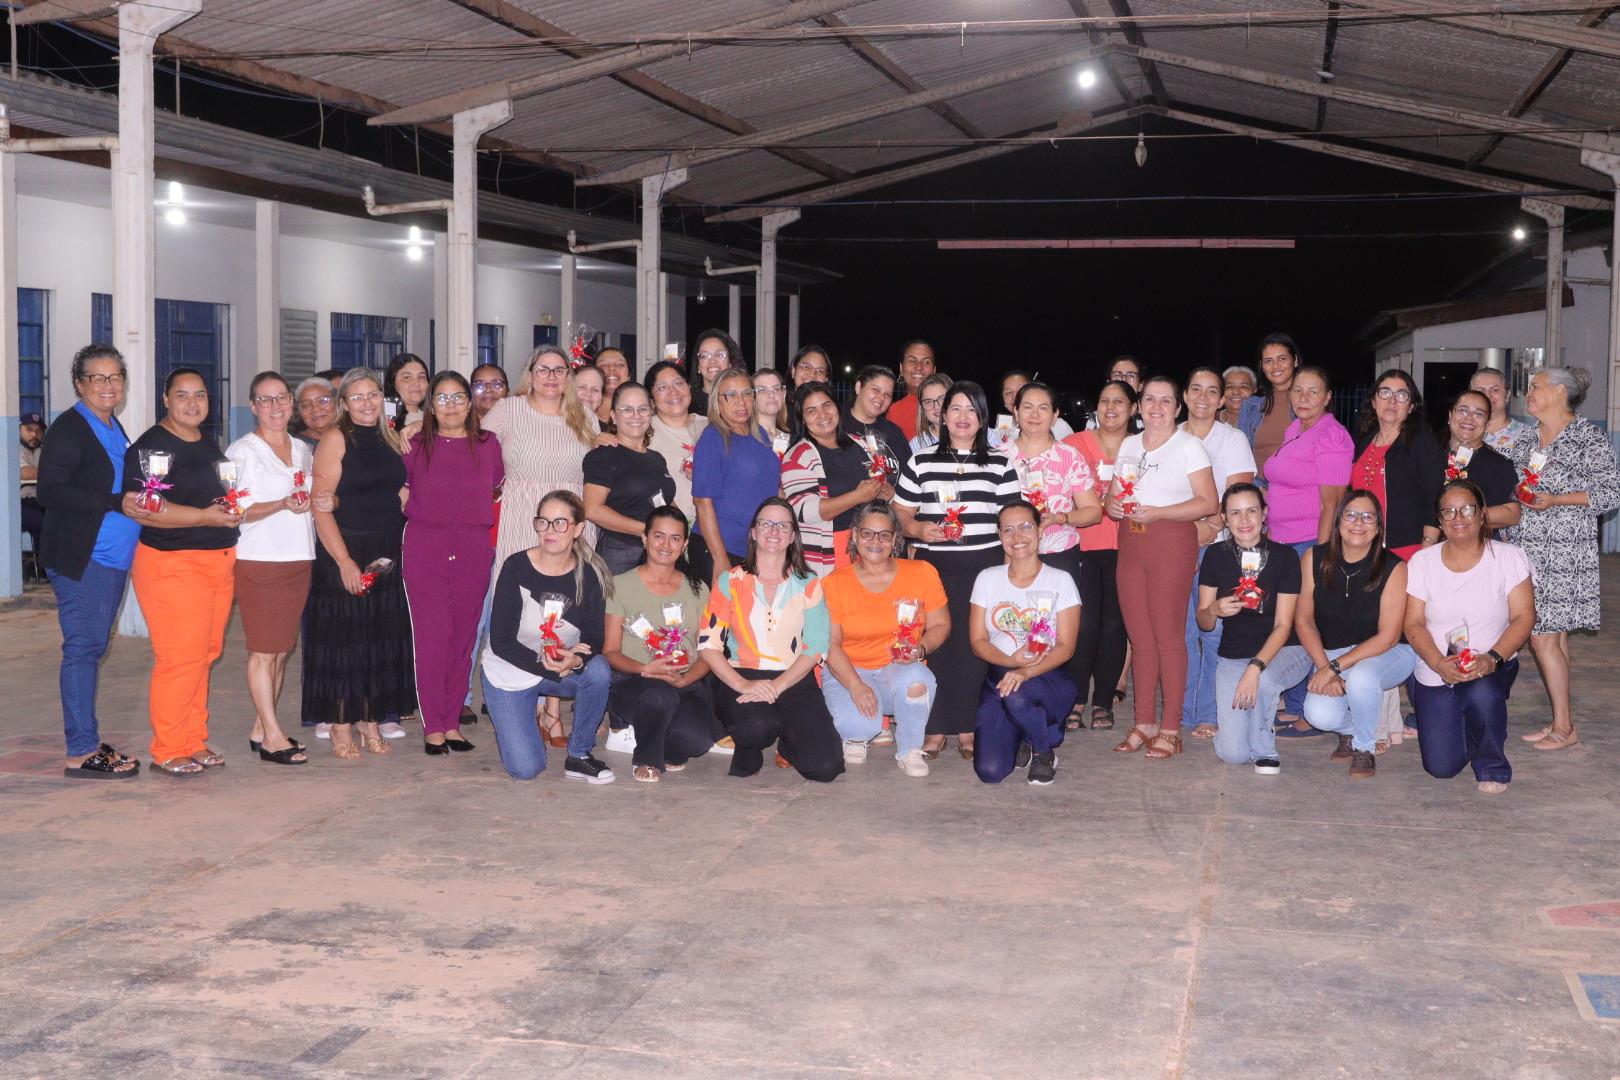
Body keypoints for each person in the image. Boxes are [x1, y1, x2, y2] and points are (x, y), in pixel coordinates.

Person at [123, 368, 241, 776]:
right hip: (173, 563)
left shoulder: (205, 442)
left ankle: (193, 739)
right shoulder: (152, 448)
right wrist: (207, 517)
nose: (193, 403)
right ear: (166, 399)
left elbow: (211, 494)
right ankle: (169, 748)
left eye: (200, 395)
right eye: (182, 395)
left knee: (204, 654)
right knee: (180, 657)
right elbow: (148, 510)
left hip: (216, 560)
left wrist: (226, 509)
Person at [892, 381, 1019, 759]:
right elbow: (901, 513)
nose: (963, 417)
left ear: (983, 418)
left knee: (974, 646)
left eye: (971, 410)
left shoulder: (1000, 462)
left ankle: (967, 727)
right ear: (943, 415)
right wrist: (918, 530)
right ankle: (934, 728)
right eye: (955, 409)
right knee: (938, 645)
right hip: (934, 567)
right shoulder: (921, 461)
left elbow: (1012, 520)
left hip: (985, 567)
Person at [37, 345, 144, 779]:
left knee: (93, 647)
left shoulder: (112, 425)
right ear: (80, 384)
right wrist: (115, 501)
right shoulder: (70, 428)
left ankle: (88, 742)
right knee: (83, 649)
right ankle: (81, 750)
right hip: (85, 558)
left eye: (115, 376)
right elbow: (50, 491)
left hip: (112, 558)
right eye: (97, 378)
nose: (108, 385)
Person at [304, 368, 415, 760]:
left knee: (375, 638)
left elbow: (398, 492)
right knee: (345, 640)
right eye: (357, 397)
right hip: (346, 547)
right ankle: (340, 722)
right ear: (344, 404)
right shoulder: (336, 438)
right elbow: (321, 506)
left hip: (386, 548)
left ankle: (369, 718)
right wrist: (345, 562)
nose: (367, 403)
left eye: (373, 395)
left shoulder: (391, 436)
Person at [1106, 374, 1218, 760]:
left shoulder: (1189, 446)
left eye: (1165, 400)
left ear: (1177, 407)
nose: (1156, 407)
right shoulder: (1129, 444)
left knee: (1169, 637)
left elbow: (1208, 503)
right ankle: (1144, 722)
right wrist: (1112, 505)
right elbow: (1114, 499)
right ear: (1139, 405)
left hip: (1171, 542)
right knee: (1140, 639)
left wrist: (1160, 513)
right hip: (1131, 544)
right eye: (1149, 399)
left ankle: (1171, 727)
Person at [1511, 368, 1620, 752]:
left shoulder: (1586, 436)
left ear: (1559, 392)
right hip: (1527, 549)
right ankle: (1560, 718)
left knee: (1541, 637)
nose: (1529, 393)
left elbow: (1610, 493)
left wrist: (1556, 500)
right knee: (1553, 640)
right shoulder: (1529, 438)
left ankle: (1565, 727)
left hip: (1564, 553)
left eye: (1536, 387)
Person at [699, 498, 844, 782]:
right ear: (754, 532)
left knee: (826, 767)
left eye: (783, 525)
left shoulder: (809, 583)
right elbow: (708, 643)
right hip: (743, 673)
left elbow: (816, 647)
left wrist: (777, 687)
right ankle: (748, 745)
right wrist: (743, 684)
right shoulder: (730, 581)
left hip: (793, 676)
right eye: (766, 523)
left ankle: (788, 743)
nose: (774, 531)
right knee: (757, 727)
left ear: (792, 537)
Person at [1404, 481, 1535, 792]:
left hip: (1489, 662)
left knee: (1482, 695)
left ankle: (1492, 765)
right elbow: (1413, 624)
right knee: (1441, 767)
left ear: (1482, 514)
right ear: (1439, 521)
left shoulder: (1509, 557)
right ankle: (1461, 717)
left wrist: (1492, 659)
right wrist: (1438, 663)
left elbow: (1523, 617)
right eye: (1448, 512)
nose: (1458, 518)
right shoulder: (1423, 562)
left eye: (1466, 509)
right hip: (1437, 668)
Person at [480, 491, 615, 783]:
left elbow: (595, 636)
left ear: (578, 529)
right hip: (509, 670)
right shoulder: (516, 567)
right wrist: (550, 666)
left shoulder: (590, 574)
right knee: (526, 769)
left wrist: (576, 660)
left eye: (560, 523)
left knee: (598, 670)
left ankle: (579, 755)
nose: (550, 530)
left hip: (556, 667)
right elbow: (501, 641)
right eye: (543, 522)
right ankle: (519, 717)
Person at [400, 371, 503, 756]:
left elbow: (496, 486)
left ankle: (452, 722)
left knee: (464, 637)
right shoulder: (414, 444)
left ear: (470, 402)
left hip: (473, 546)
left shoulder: (488, 444)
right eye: (442, 398)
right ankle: (433, 724)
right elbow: (400, 491)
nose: (451, 405)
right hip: (426, 545)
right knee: (432, 637)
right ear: (431, 405)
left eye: (458, 397)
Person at [821, 501, 949, 776]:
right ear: (855, 536)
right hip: (850, 669)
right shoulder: (835, 582)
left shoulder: (921, 572)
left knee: (919, 680)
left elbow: (940, 625)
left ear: (895, 539)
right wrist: (855, 685)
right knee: (860, 728)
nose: (875, 541)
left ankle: (910, 749)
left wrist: (921, 649)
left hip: (897, 669)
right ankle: (856, 736)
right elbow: (831, 644)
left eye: (884, 535)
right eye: (867, 533)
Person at [226, 372, 315, 766]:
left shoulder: (302, 449)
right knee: (263, 651)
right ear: (253, 406)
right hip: (259, 559)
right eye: (266, 399)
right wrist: (280, 504)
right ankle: (273, 737)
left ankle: (261, 727)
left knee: (280, 650)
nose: (275, 406)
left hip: (299, 557)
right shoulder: (241, 452)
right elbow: (235, 511)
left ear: (291, 403)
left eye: (281, 398)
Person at [1297, 491, 1416, 779]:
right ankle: (1351, 731)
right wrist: (1325, 667)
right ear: (1338, 522)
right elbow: (1304, 621)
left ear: (1377, 527)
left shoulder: (1394, 567)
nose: (1358, 523)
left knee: (1363, 676)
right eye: (1350, 515)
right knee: (1318, 715)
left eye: (1367, 517)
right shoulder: (1314, 558)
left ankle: (1365, 748)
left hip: (1389, 653)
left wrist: (1334, 668)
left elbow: (1388, 636)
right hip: (1334, 653)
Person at [1260, 365, 1352, 734]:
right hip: (1281, 542)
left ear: (1328, 397)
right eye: (1298, 391)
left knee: (1305, 623)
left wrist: (1321, 554)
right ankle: (1295, 703)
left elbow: (1332, 502)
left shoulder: (1332, 436)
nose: (1303, 398)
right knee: (1287, 624)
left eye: (1313, 392)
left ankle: (1309, 711)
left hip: (1307, 543)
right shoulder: (1295, 429)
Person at [1195, 483, 1308, 774]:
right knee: (1232, 754)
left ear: (1264, 514)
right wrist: (1214, 609)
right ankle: (1245, 725)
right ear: (1224, 518)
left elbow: (1284, 625)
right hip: (1234, 654)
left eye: (1252, 511)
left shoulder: (1285, 557)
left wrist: (1255, 668)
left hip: (1286, 650)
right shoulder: (1215, 555)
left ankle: (1264, 750)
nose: (1244, 520)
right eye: (1235, 513)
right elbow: (1204, 622)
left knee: (1265, 680)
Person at [1007, 381, 1102, 728]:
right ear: (1014, 412)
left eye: (1043, 407)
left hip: (1058, 555)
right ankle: (1015, 706)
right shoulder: (1000, 454)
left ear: (1056, 414)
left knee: (1057, 635)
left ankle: (1055, 709)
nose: (1034, 415)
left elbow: (1092, 511)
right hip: (1010, 559)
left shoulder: (1068, 456)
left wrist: (1061, 517)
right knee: (1014, 631)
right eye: (1027, 407)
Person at [969, 501, 1081, 786]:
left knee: (1018, 695)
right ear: (999, 535)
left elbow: (1066, 647)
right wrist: (1011, 663)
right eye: (1008, 529)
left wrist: (1025, 671)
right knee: (990, 771)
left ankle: (1043, 749)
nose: (1016, 536)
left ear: (1040, 531)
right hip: (1000, 677)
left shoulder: (1060, 580)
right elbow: (978, 642)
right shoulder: (987, 578)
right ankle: (1025, 730)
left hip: (1047, 676)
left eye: (1025, 527)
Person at [603, 506, 717, 783]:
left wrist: (686, 678)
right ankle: (647, 759)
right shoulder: (619, 585)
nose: (666, 545)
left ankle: (650, 729)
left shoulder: (698, 588)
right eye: (658, 536)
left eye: (675, 538)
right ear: (644, 538)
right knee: (659, 696)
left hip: (684, 681)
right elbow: (610, 652)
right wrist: (645, 669)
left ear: (685, 545)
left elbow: (708, 651)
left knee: (698, 741)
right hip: (634, 680)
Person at [1181, 367, 1258, 740]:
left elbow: (1238, 496)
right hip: (1175, 549)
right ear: (1184, 395)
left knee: (1213, 633)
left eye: (1212, 391)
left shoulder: (1232, 439)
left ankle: (1210, 712)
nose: (1203, 397)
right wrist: (1188, 530)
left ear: (1222, 399)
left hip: (1218, 549)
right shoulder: (1170, 436)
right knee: (1181, 635)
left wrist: (1209, 527)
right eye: (1196, 389)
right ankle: (1184, 712)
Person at [482, 344, 598, 574]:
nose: (551, 377)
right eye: (543, 370)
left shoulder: (586, 416)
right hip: (522, 517)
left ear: (568, 377)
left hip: (571, 521)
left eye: (559, 370)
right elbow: (469, 445)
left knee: (572, 588)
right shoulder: (507, 410)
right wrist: (419, 425)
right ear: (530, 375)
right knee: (520, 587)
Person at [1063, 379, 1135, 730]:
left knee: (1114, 626)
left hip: (1127, 546)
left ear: (1132, 409)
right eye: (1105, 400)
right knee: (1085, 625)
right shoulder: (1073, 444)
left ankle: (1103, 701)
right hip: (1082, 544)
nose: (1110, 407)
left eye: (1119, 402)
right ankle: (1076, 699)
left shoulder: (1141, 447)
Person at [782, 382, 890, 578]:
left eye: (827, 405)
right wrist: (857, 496)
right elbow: (804, 511)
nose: (822, 414)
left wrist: (882, 493)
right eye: (811, 411)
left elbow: (874, 484)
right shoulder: (798, 456)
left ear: (837, 407)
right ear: (802, 419)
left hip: (870, 543)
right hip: (832, 548)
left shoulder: (860, 443)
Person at [692, 368, 781, 571]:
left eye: (747, 393)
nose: (741, 402)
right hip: (721, 548)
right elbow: (702, 502)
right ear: (718, 401)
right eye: (731, 395)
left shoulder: (759, 433)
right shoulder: (713, 438)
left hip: (755, 548)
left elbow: (768, 487)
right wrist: (719, 557)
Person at [583, 381, 676, 576]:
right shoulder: (604, 455)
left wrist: (678, 528)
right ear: (613, 416)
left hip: (660, 551)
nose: (636, 415)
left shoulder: (656, 458)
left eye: (643, 409)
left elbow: (664, 500)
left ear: (650, 413)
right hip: (622, 552)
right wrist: (648, 531)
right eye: (627, 410)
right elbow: (592, 509)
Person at [1352, 369, 1443, 560]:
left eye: (1402, 395)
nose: (1392, 400)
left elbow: (1434, 499)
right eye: (1385, 392)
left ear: (1411, 407)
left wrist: (1427, 550)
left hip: (1406, 550)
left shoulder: (1422, 443)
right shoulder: (1364, 440)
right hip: (1363, 544)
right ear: (1374, 401)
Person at [646, 359, 713, 584]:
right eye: (662, 387)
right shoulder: (645, 430)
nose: (673, 391)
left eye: (678, 383)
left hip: (712, 532)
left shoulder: (711, 425)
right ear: (651, 398)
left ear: (689, 388)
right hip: (670, 538)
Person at [1442, 390, 1520, 532]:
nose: (1469, 418)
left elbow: (1512, 514)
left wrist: (1462, 515)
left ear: (1487, 423)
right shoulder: (1429, 454)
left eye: (1479, 414)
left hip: (1474, 542)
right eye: (1463, 410)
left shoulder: (1498, 464)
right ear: (1450, 415)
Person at [1237, 332, 1300, 480]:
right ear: (1262, 366)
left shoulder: (1310, 402)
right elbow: (1240, 456)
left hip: (1298, 486)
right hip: (1257, 488)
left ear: (1295, 360)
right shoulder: (1250, 406)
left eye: (1282, 359)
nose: (1275, 366)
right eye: (1268, 361)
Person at [841, 365, 907, 481]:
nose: (881, 398)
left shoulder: (894, 433)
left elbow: (909, 475)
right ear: (858, 387)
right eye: (876, 390)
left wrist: (893, 491)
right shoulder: (836, 425)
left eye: (888, 395)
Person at [997, 370, 1075, 444]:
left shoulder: (1058, 426)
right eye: (1009, 392)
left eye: (1021, 389)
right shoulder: (1002, 428)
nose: (1015, 397)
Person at [1469, 366, 1531, 456]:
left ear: (1507, 395)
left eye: (1495, 390)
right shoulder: (1464, 432)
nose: (1487, 396)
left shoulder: (1527, 435)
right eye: (1481, 391)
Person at [886, 339, 936, 440]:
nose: (919, 367)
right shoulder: (894, 411)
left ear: (934, 370)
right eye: (912, 361)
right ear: (901, 368)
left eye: (926, 362)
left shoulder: (947, 405)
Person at [688, 329, 742, 415]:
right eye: (705, 356)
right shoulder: (687, 403)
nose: (712, 361)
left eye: (719, 355)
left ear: (730, 363)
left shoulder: (743, 400)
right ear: (698, 365)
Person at [908, 372, 953, 456]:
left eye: (942, 399)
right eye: (928, 401)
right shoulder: (917, 445)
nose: (936, 407)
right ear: (922, 408)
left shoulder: (970, 434)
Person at [19, 411, 44, 564]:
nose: (34, 434)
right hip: (20, 503)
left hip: (42, 500)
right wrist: (50, 472)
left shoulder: (44, 451)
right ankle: (42, 565)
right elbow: (25, 473)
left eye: (38, 431)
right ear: (19, 429)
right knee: (41, 521)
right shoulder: (13, 449)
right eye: (29, 429)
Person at [383, 352, 430, 431]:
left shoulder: (436, 419)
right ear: (392, 382)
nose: (416, 383)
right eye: (407, 377)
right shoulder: (383, 418)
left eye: (421, 377)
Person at [752, 368, 791, 457]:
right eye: (762, 390)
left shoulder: (792, 441)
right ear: (752, 397)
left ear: (783, 394)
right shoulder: (744, 439)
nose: (771, 395)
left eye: (776, 389)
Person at [294, 376, 337, 448]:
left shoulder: (352, 436)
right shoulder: (295, 446)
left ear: (337, 402)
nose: (315, 409)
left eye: (323, 401)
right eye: (306, 405)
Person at [596, 348, 632, 428]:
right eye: (604, 365)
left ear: (629, 375)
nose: (611, 368)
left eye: (619, 365)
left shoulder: (642, 410)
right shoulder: (580, 410)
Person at [572, 364, 609, 436]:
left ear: (600, 400)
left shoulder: (607, 433)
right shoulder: (554, 423)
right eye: (582, 387)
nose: (588, 394)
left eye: (595, 390)